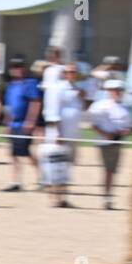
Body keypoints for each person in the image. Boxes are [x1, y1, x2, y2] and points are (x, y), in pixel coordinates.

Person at [40, 63, 87, 208]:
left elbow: (82, 110)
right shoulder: (57, 88)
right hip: (59, 135)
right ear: (64, 73)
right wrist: (57, 133)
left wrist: (83, 97)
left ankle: (63, 197)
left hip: (73, 134)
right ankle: (53, 197)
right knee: (54, 166)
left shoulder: (77, 90)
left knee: (67, 166)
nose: (72, 74)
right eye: (69, 72)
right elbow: (52, 112)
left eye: (74, 72)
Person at [0, 57, 42, 191]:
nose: (16, 70)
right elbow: (8, 107)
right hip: (13, 124)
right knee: (13, 153)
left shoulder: (30, 83)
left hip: (24, 123)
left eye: (19, 66)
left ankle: (43, 178)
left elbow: (35, 103)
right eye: (14, 67)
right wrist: (7, 123)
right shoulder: (11, 85)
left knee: (26, 153)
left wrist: (31, 121)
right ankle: (15, 181)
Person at [88, 78, 130, 209]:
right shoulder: (100, 106)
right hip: (105, 142)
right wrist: (106, 134)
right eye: (115, 90)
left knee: (112, 171)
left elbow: (130, 126)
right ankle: (106, 197)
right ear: (109, 91)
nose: (118, 92)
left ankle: (108, 196)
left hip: (117, 141)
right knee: (109, 171)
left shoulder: (125, 107)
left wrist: (126, 131)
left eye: (120, 90)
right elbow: (93, 124)